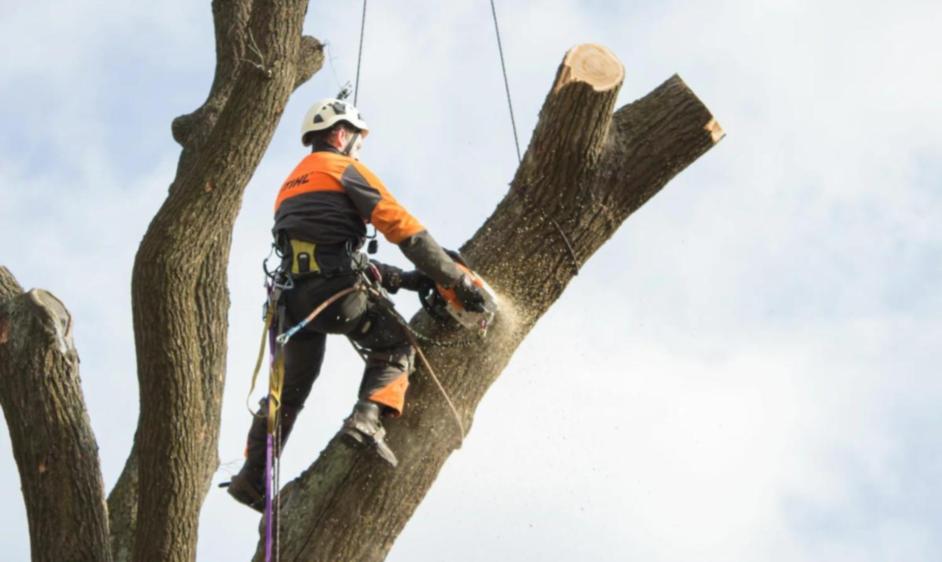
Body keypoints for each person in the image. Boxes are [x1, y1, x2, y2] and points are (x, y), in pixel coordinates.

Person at [227, 98, 485, 511]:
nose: (358, 149)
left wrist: (406, 279)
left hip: (292, 304)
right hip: (334, 295)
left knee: (288, 392)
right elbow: (405, 230)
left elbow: (331, 250)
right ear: (342, 134)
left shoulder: (290, 185)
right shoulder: (346, 169)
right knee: (394, 344)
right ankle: (367, 420)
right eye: (357, 141)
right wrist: (452, 278)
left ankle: (251, 479)